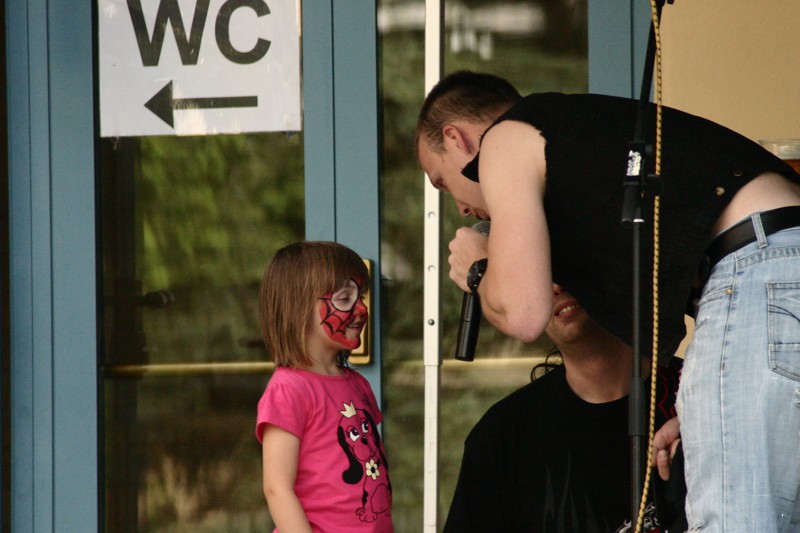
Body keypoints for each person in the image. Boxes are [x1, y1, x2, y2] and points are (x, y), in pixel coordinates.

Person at [416, 70, 800, 531]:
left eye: (441, 181)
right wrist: (706, 414)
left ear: (455, 138)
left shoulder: (505, 138)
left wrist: (479, 269)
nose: (460, 207)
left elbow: (524, 313)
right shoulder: (574, 147)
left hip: (759, 262)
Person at [443, 284, 682, 532]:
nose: (556, 286)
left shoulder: (696, 398)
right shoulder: (502, 434)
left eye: (571, 266)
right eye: (544, 272)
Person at [254, 241, 393, 533]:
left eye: (360, 297)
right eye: (345, 299)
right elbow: (277, 488)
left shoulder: (357, 384)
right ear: (299, 307)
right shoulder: (288, 390)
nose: (361, 309)